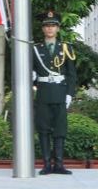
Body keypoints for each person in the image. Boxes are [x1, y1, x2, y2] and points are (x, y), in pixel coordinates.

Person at [33, 10, 77, 175]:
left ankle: (59, 164)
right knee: (43, 130)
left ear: (58, 28)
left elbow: (71, 74)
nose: (50, 28)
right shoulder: (35, 49)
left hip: (60, 93)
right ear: (43, 29)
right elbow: (31, 72)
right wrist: (33, 78)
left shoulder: (66, 48)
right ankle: (46, 165)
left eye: (53, 25)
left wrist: (69, 94)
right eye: (47, 26)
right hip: (43, 94)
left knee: (60, 130)